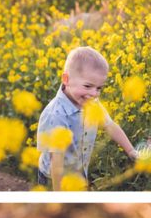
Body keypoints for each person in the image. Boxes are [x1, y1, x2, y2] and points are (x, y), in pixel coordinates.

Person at [36, 47, 138, 189]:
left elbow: (110, 125)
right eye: (88, 86)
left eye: (98, 88)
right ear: (66, 79)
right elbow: (56, 161)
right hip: (53, 179)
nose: (94, 94)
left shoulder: (91, 104)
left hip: (77, 174)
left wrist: (131, 151)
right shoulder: (57, 115)